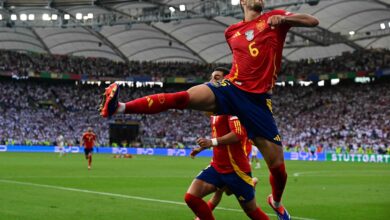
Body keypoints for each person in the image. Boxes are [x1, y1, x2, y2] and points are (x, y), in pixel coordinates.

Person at [99, 1, 318, 219]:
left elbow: (312, 21)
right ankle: (118, 107)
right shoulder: (231, 32)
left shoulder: (275, 18)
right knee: (182, 98)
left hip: (258, 102)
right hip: (231, 89)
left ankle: (276, 202)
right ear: (242, 1)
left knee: (278, 168)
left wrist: (285, 19)